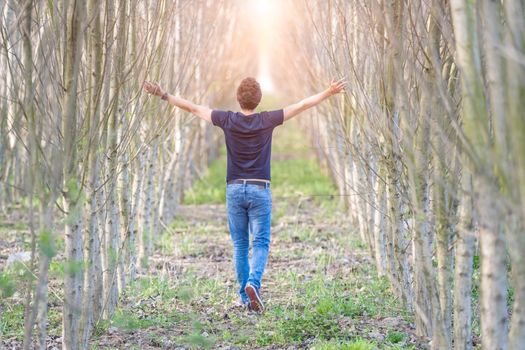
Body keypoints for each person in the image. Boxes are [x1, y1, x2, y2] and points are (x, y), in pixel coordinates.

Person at [143, 77, 346, 313]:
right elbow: (301, 105)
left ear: (238, 99)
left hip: (235, 188)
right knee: (260, 242)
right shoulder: (267, 120)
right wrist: (328, 92)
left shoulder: (227, 119)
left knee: (240, 245)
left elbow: (192, 107)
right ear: (258, 100)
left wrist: (162, 94)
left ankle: (244, 296)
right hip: (260, 189)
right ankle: (253, 284)